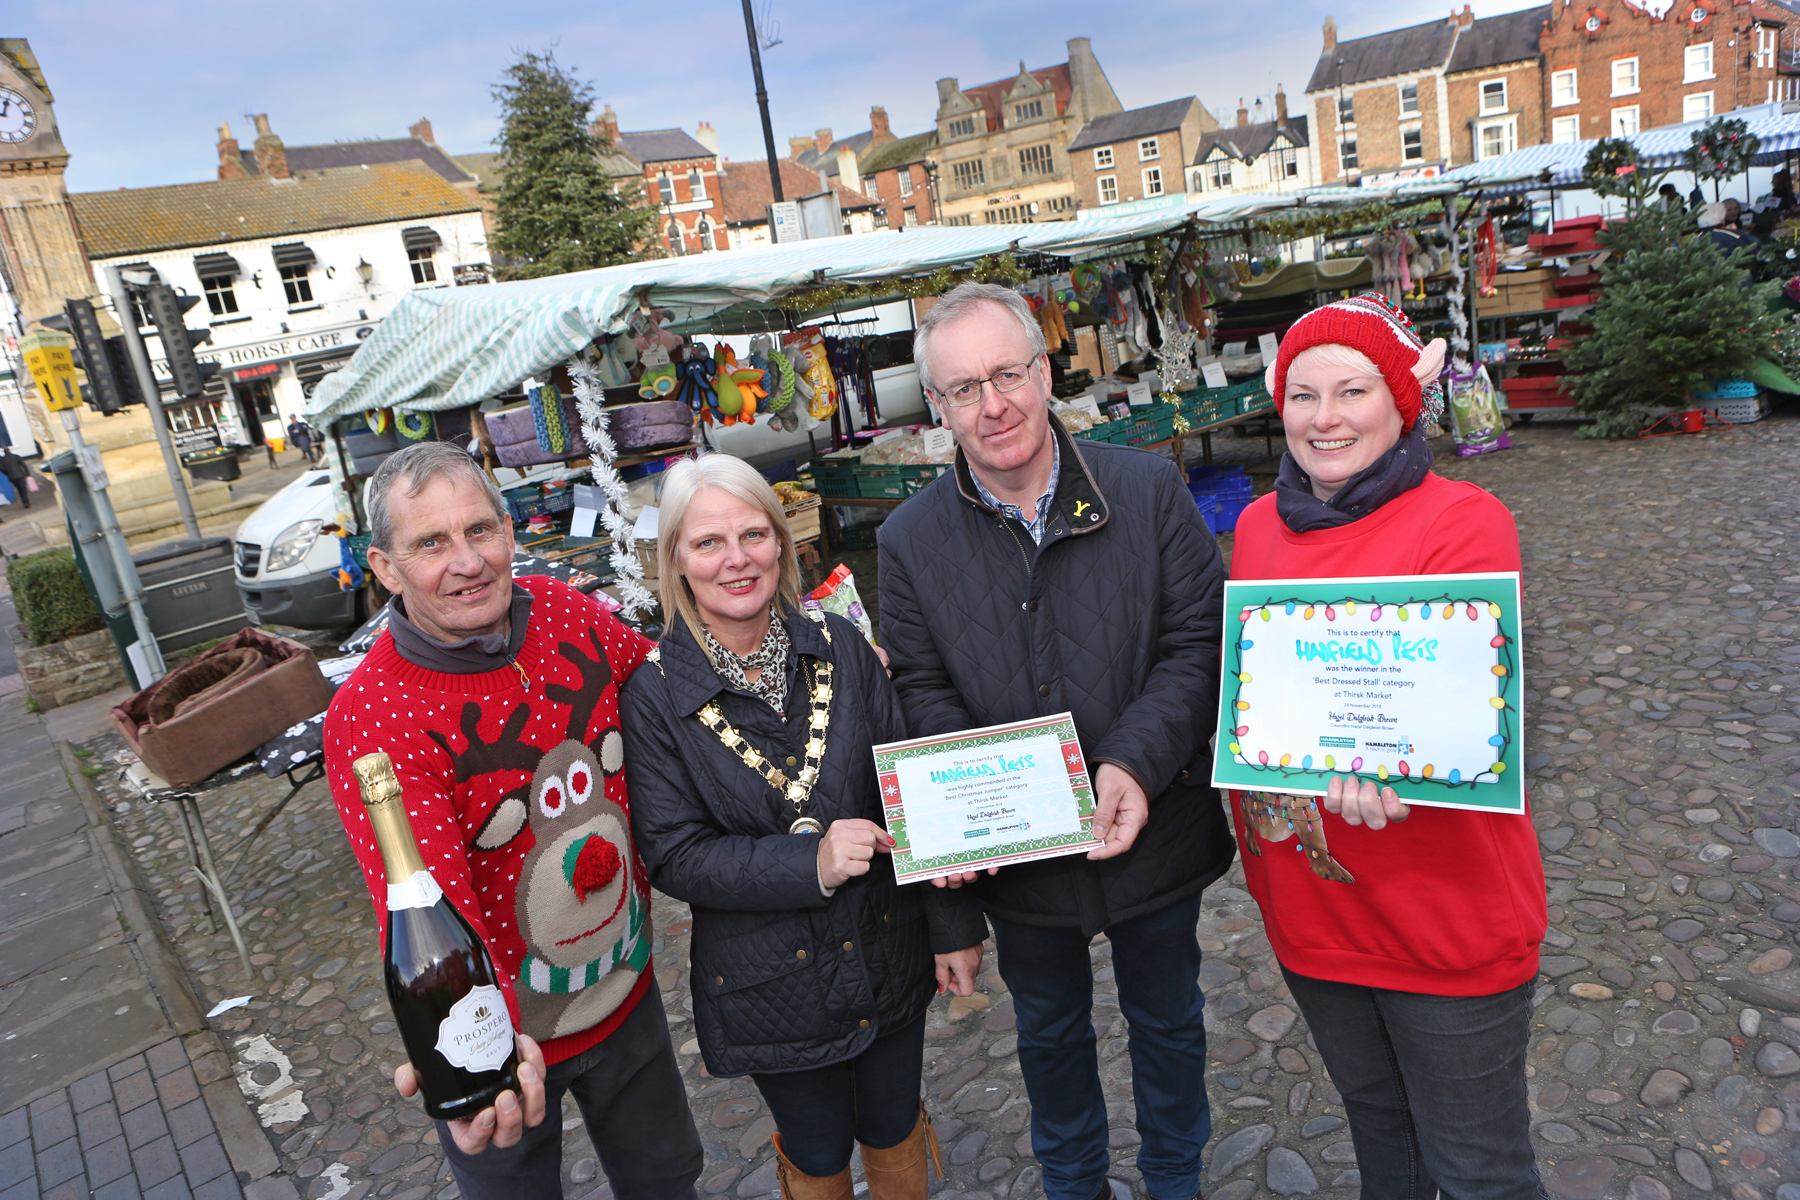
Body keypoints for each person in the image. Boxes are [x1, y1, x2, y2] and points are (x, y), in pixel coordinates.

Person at [878, 283, 1231, 1200]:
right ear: (939, 408)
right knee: (1048, 1034)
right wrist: (974, 801)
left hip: (1154, 824)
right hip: (1021, 862)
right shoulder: (911, 539)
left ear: (1044, 371)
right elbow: (920, 685)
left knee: (1168, 1018)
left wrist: (1135, 762)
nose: (992, 406)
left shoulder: (1147, 489)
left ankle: (1175, 1178)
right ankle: (1075, 1184)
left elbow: (1200, 643)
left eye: (1006, 374)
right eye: (963, 389)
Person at [323, 441, 704, 1200]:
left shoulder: (561, 607)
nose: (467, 561)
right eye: (431, 543)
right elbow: (433, 915)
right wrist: (479, 1059)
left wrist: (804, 668)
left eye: (480, 530)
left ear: (508, 529)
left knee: (667, 1181)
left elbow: (669, 694)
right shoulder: (374, 717)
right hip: (500, 1046)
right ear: (386, 569)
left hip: (622, 987)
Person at [1230, 293, 1548, 1200]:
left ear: (1403, 397)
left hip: (1442, 903)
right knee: (1383, 1143)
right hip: (1313, 903)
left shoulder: (1462, 520)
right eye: (1302, 395)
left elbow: (1466, 712)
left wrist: (1402, 760)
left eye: (1352, 391)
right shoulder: (1256, 528)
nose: (1324, 418)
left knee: (1478, 1167)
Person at [621, 454, 986, 1200]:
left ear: (782, 542)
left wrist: (953, 926)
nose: (736, 559)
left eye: (754, 534)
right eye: (708, 543)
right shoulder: (655, 694)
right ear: (675, 561)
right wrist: (809, 864)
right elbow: (674, 856)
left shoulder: (841, 645)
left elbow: (909, 790)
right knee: (817, 1152)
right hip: (767, 981)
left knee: (892, 1127)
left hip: (887, 942)